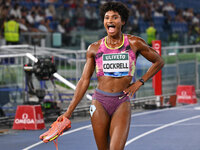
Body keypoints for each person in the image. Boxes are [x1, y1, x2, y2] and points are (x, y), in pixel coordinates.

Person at [57, 2, 164, 150]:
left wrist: (140, 82)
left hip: (121, 101)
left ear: (123, 21)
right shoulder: (94, 48)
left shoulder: (134, 43)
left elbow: (159, 61)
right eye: (107, 18)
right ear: (104, 22)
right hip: (99, 102)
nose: (110, 21)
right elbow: (84, 81)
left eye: (115, 17)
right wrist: (68, 113)